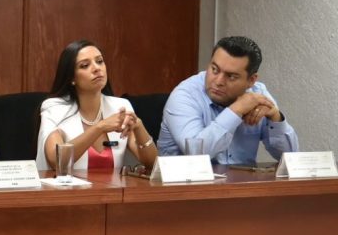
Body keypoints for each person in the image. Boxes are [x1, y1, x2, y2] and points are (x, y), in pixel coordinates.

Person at [158, 36, 297, 164]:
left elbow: (291, 158)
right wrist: (236, 110)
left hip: (242, 181)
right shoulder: (185, 95)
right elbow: (196, 153)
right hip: (186, 181)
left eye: (231, 76)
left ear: (251, 80)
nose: (218, 81)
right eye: (214, 69)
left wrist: (276, 117)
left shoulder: (257, 94)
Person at [36, 40, 157, 172]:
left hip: (114, 186)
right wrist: (100, 127)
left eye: (99, 61)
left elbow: (152, 163)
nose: (96, 68)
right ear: (71, 78)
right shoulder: (54, 108)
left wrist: (139, 126)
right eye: (85, 65)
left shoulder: (120, 106)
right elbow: (56, 160)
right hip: (68, 185)